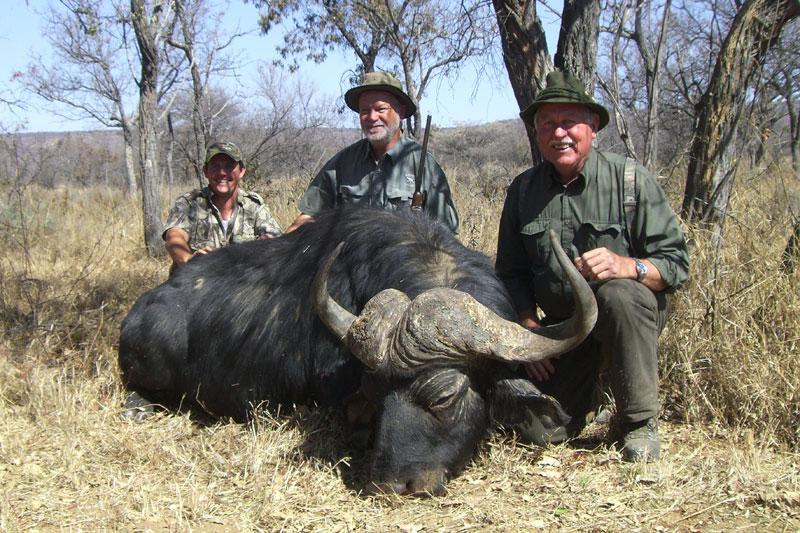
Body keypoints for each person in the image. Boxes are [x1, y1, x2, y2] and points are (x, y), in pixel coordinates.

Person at [494, 71, 689, 462]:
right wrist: (530, 330)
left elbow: (675, 264)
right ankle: (597, 389)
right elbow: (510, 274)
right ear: (537, 133)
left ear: (593, 126)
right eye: (547, 124)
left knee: (618, 295)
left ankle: (639, 422)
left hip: (627, 318)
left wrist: (626, 265)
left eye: (569, 122)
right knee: (536, 430)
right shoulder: (523, 191)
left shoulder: (630, 180)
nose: (559, 133)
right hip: (566, 330)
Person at [286, 71, 459, 233]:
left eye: (380, 109)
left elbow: (445, 236)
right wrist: (281, 247)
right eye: (365, 110)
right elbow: (308, 216)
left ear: (400, 111)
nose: (372, 117)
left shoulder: (423, 165)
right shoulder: (343, 162)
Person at [163, 141, 282, 271]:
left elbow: (275, 239)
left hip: (239, 280)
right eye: (215, 166)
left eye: (229, 166)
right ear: (205, 171)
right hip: (196, 279)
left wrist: (265, 244)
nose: (222, 173)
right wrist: (189, 260)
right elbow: (174, 237)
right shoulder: (190, 203)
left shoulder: (253, 205)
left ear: (241, 171)